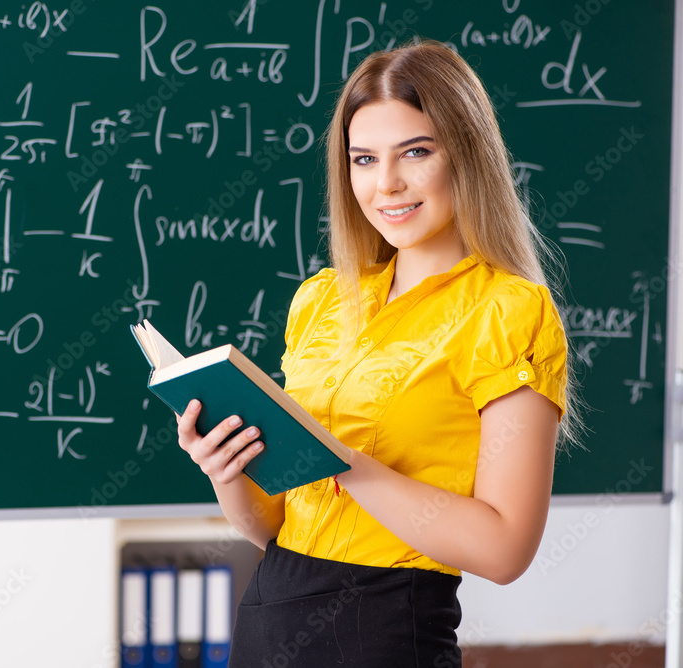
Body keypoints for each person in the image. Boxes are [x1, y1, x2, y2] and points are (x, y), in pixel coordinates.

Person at [176, 40, 583, 667]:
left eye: (415, 152)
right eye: (363, 159)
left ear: (466, 156)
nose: (385, 183)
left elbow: (506, 550)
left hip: (385, 633)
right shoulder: (321, 301)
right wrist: (227, 470)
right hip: (267, 621)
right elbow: (272, 526)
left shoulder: (508, 311)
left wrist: (343, 464)